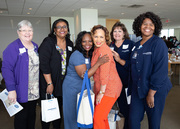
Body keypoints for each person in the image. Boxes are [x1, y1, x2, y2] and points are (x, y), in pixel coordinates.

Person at [129, 12, 172, 129]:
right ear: (139, 26)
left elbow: (161, 71)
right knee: (133, 120)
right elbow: (133, 66)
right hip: (138, 88)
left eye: (151, 24)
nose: (148, 27)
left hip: (155, 90)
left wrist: (151, 93)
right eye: (144, 24)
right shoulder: (136, 45)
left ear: (155, 27)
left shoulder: (158, 44)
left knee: (154, 122)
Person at [62, 31, 109, 129]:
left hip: (83, 87)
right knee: (72, 114)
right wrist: (98, 63)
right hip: (72, 87)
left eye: (90, 41)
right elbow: (84, 75)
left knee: (82, 112)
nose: (87, 44)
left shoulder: (88, 53)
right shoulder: (77, 55)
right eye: (84, 42)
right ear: (80, 42)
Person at [1, 20, 39, 129]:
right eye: (24, 30)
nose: (27, 33)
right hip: (20, 90)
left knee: (32, 116)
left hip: (34, 90)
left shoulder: (35, 46)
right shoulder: (13, 47)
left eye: (30, 30)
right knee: (21, 118)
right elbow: (6, 69)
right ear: (18, 32)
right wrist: (11, 89)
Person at [39, 18, 74, 129]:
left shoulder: (70, 43)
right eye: (59, 27)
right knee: (48, 110)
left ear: (68, 29)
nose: (62, 29)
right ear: (54, 30)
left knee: (58, 110)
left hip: (63, 83)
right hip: (49, 82)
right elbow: (43, 64)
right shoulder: (48, 42)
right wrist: (49, 83)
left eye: (64, 26)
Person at [91, 25, 122, 129]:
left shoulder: (104, 50)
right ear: (92, 36)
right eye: (96, 36)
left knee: (98, 118)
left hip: (109, 88)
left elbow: (104, 73)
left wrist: (101, 93)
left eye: (101, 37)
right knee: (102, 117)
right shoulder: (96, 49)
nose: (98, 40)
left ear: (105, 38)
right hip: (103, 87)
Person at [110, 21, 134, 129]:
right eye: (115, 31)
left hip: (127, 82)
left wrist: (119, 60)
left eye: (120, 31)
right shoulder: (110, 45)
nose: (117, 33)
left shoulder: (130, 44)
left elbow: (134, 65)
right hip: (115, 82)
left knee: (128, 109)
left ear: (124, 33)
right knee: (120, 107)